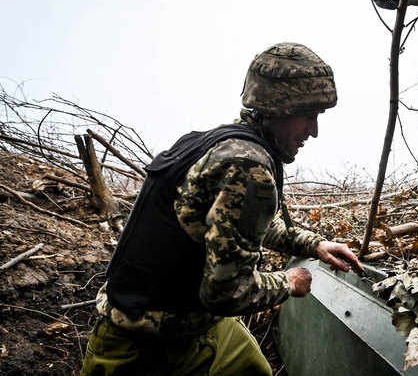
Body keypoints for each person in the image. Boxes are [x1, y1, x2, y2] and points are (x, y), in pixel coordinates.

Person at [81, 42, 365, 375]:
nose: (314, 131)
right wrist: (289, 282)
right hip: (140, 343)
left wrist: (312, 244)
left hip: (197, 326)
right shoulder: (247, 164)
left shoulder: (217, 142)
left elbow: (230, 224)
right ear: (279, 107)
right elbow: (226, 293)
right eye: (309, 116)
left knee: (254, 369)